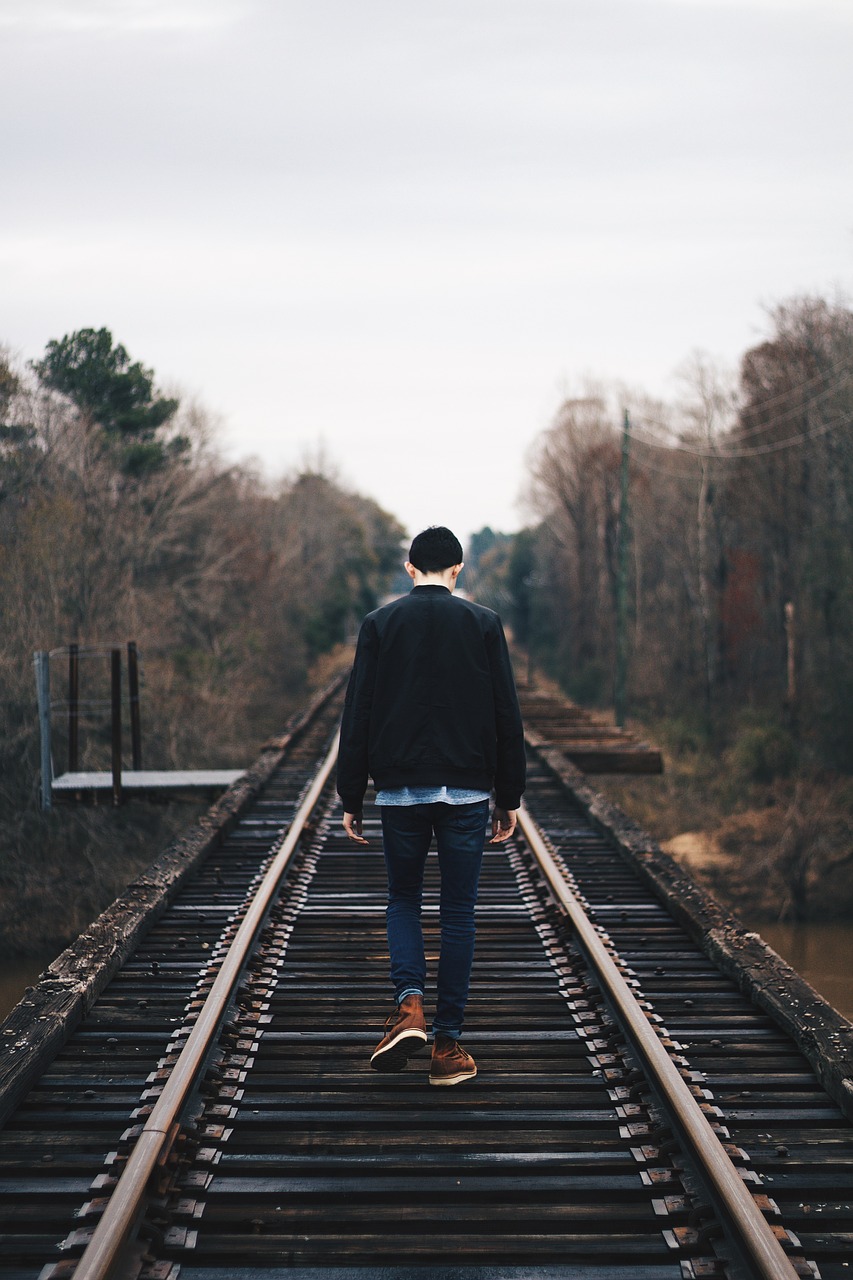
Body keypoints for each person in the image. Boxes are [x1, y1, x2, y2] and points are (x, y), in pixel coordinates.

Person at [337, 525, 525, 1086]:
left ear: (411, 568)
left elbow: (359, 713)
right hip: (468, 791)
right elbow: (505, 715)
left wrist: (353, 795)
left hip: (399, 791)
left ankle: (410, 1005)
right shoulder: (485, 624)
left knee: (403, 897)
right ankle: (446, 1048)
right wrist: (507, 797)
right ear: (459, 570)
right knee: (460, 910)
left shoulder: (380, 624)